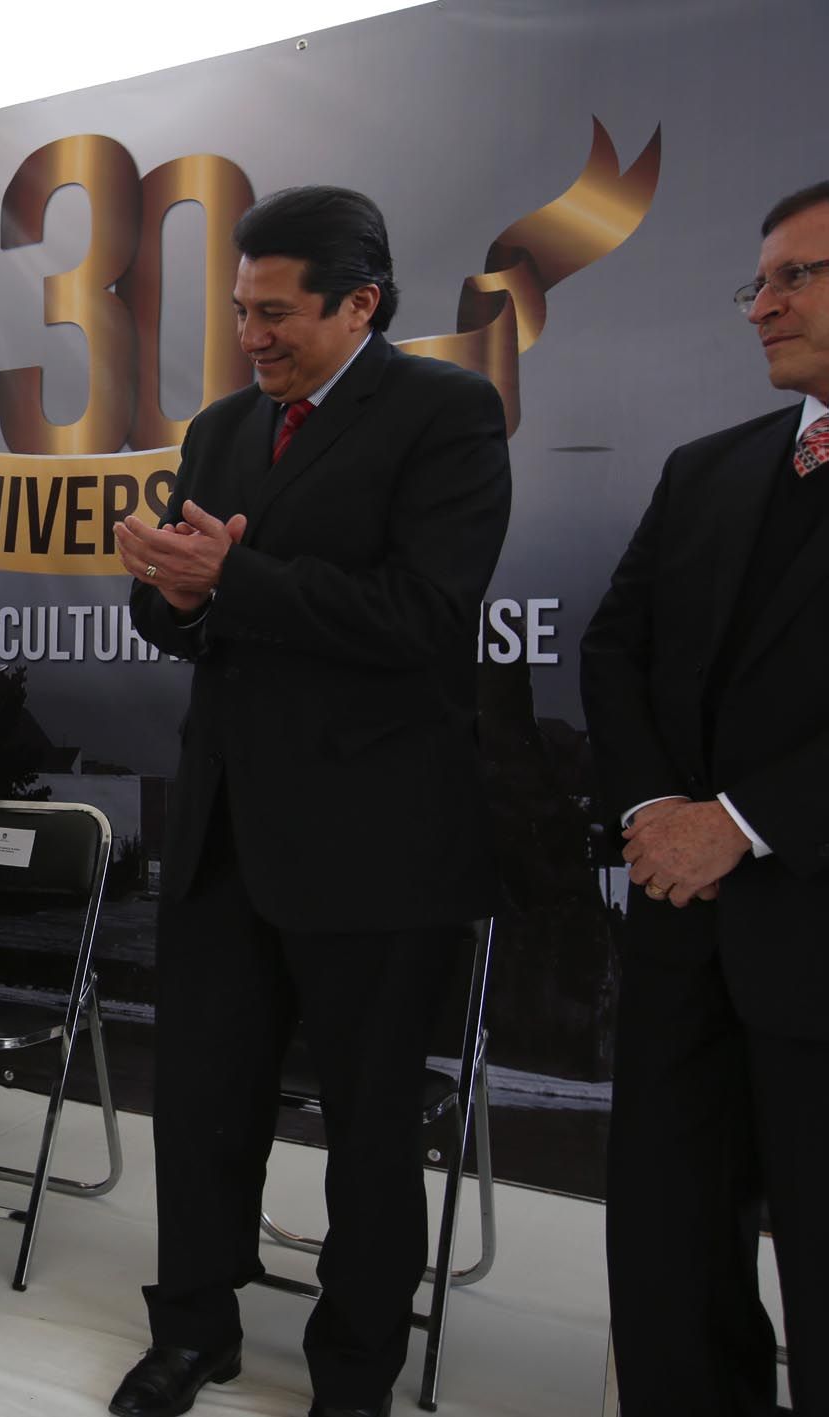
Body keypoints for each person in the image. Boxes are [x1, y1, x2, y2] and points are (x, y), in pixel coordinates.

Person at [108, 186, 510, 1417]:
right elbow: (180, 617)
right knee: (198, 1108)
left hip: (375, 848)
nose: (249, 336)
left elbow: (424, 617)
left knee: (368, 1132)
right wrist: (172, 594)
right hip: (224, 836)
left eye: (275, 313)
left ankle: (352, 1370)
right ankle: (191, 1329)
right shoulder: (222, 427)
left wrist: (232, 578)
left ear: (359, 304)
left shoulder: (446, 414)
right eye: (239, 310)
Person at [581, 179, 829, 1417]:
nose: (761, 306)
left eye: (795, 277)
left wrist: (738, 821)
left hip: (810, 927)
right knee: (670, 1260)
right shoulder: (707, 470)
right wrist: (651, 815)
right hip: (680, 929)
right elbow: (611, 649)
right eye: (756, 281)